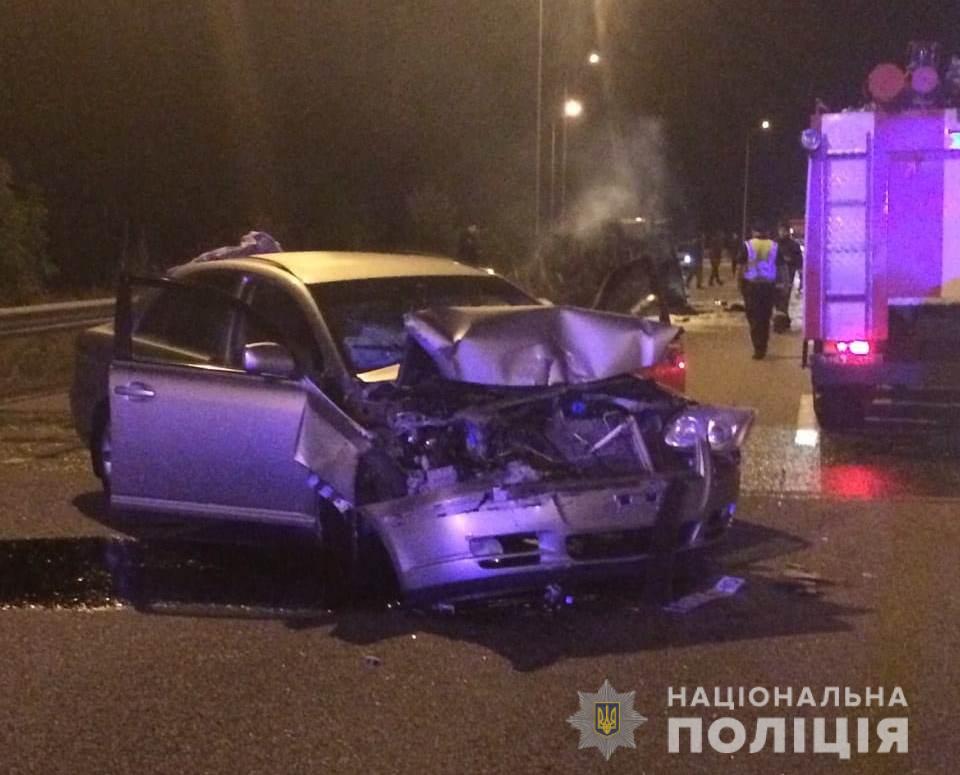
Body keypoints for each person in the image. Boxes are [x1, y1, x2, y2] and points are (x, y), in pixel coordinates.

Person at [736, 221, 780, 359]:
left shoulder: (748, 245)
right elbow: (781, 267)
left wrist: (739, 284)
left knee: (753, 317)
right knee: (765, 317)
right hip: (768, 286)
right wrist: (784, 285)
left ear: (754, 231)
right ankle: (763, 346)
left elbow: (740, 267)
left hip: (752, 286)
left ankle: (758, 347)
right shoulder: (774, 246)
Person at [774, 223, 804, 331]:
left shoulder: (793, 245)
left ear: (787, 231)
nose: (781, 233)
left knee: (783, 300)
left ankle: (780, 324)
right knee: (778, 301)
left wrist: (801, 280)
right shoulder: (775, 244)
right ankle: (783, 320)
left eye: (783, 231)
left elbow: (799, 262)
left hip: (788, 277)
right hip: (775, 277)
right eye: (780, 230)